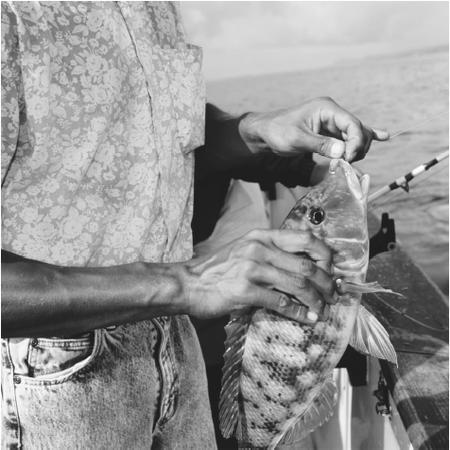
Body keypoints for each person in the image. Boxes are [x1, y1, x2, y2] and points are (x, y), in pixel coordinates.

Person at [1, 2, 389, 449]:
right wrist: (187, 283)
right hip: (53, 382)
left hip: (174, 338)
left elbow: (151, 140)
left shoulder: (154, 7)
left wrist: (253, 131)